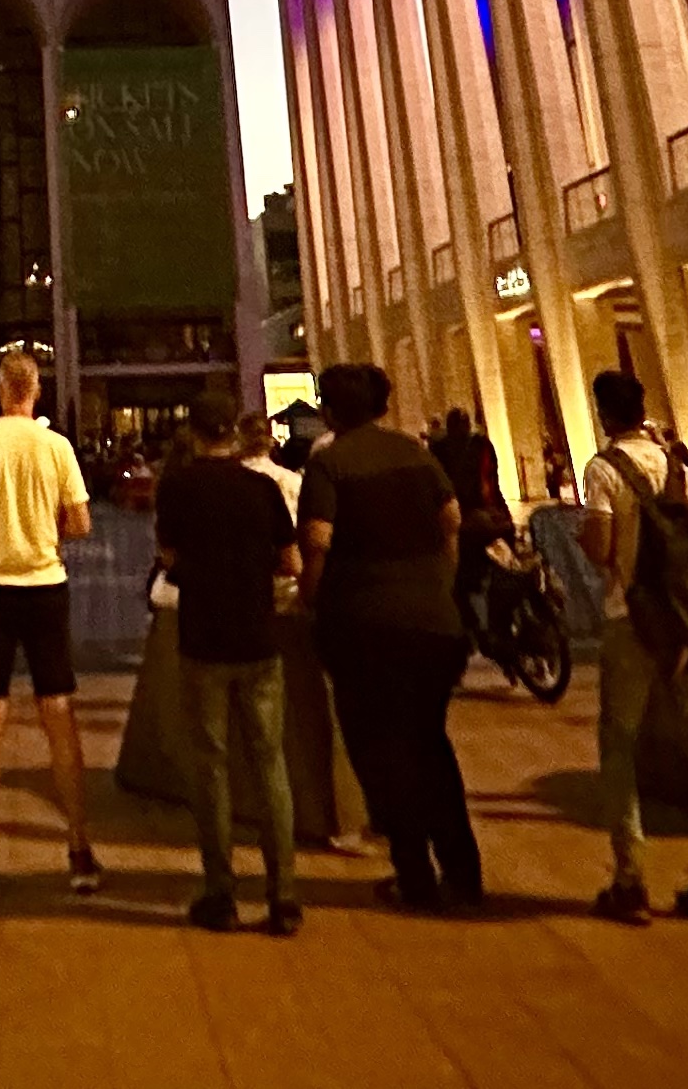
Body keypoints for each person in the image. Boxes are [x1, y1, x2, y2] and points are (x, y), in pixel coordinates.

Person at [303, 360, 482, 913]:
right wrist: (440, 582)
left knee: (383, 753)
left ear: (330, 411)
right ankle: (463, 871)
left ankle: (414, 872)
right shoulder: (416, 453)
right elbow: (451, 520)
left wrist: (314, 599)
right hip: (434, 626)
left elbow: (317, 542)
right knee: (430, 744)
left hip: (366, 629)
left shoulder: (330, 464)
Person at [579, 370, 688, 926]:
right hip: (681, 622)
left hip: (631, 619)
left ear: (603, 413)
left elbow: (600, 548)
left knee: (619, 741)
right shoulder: (677, 465)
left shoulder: (604, 469)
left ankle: (630, 877)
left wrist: (595, 539)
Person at [0, 345, 102, 899]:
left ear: (0, 390)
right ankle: (79, 851)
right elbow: (80, 522)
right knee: (59, 717)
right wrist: (48, 526)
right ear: (35, 390)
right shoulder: (56, 446)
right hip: (44, 589)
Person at [155, 386, 302, 936]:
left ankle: (221, 893)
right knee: (270, 765)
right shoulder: (262, 488)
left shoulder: (178, 488)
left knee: (211, 767)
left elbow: (169, 558)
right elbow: (288, 560)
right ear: (235, 435)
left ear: (194, 433)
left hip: (203, 640)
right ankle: (283, 894)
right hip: (259, 640)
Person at [428, 408, 512, 620]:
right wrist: (501, 514)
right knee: (494, 571)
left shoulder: (437, 447)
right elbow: (488, 483)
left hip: (454, 517)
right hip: (477, 516)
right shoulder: (480, 445)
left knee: (461, 578)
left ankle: (471, 620)